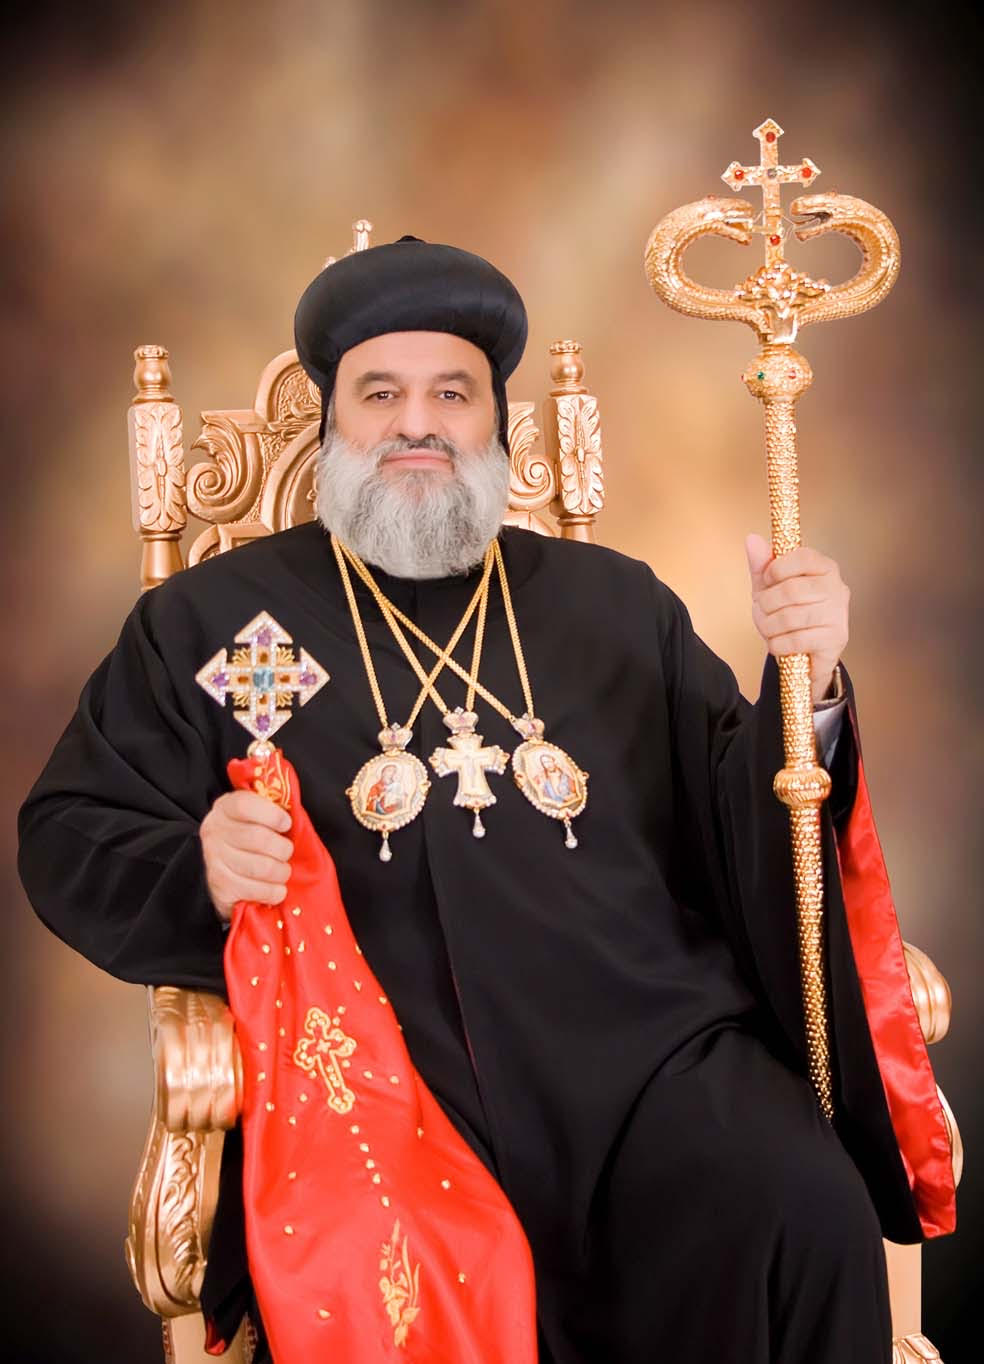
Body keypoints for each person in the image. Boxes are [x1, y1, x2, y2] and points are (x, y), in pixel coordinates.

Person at [18, 236, 955, 1363]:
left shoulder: (616, 606)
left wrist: (808, 686)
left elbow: (745, 815)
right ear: (331, 423)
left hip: (649, 1064)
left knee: (801, 1201)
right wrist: (200, 868)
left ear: (495, 425)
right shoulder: (215, 622)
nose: (416, 424)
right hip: (388, 1084)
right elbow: (68, 830)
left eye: (451, 394)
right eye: (381, 394)